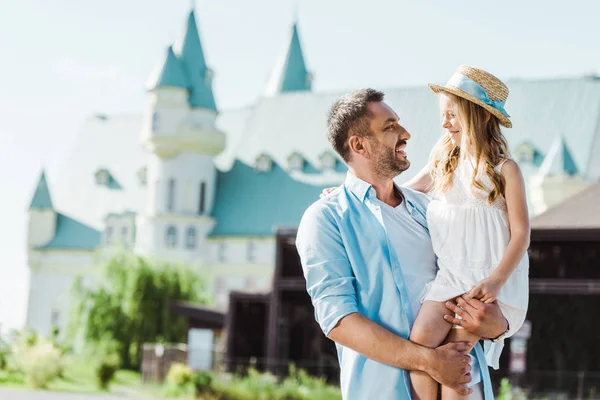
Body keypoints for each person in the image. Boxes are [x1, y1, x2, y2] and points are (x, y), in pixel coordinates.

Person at [296, 88, 510, 400]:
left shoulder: (432, 210)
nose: (406, 133)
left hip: (468, 388)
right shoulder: (326, 219)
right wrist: (430, 362)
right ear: (359, 145)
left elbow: (479, 272)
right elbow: (339, 321)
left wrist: (498, 325)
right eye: (390, 126)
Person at [405, 65, 529, 400]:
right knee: (420, 345)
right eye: (442, 115)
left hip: (487, 281)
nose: (444, 123)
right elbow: (403, 193)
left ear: (481, 117)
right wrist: (354, 192)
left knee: (455, 358)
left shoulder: (506, 171)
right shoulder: (442, 163)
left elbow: (521, 235)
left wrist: (496, 281)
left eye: (452, 115)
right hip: (450, 277)